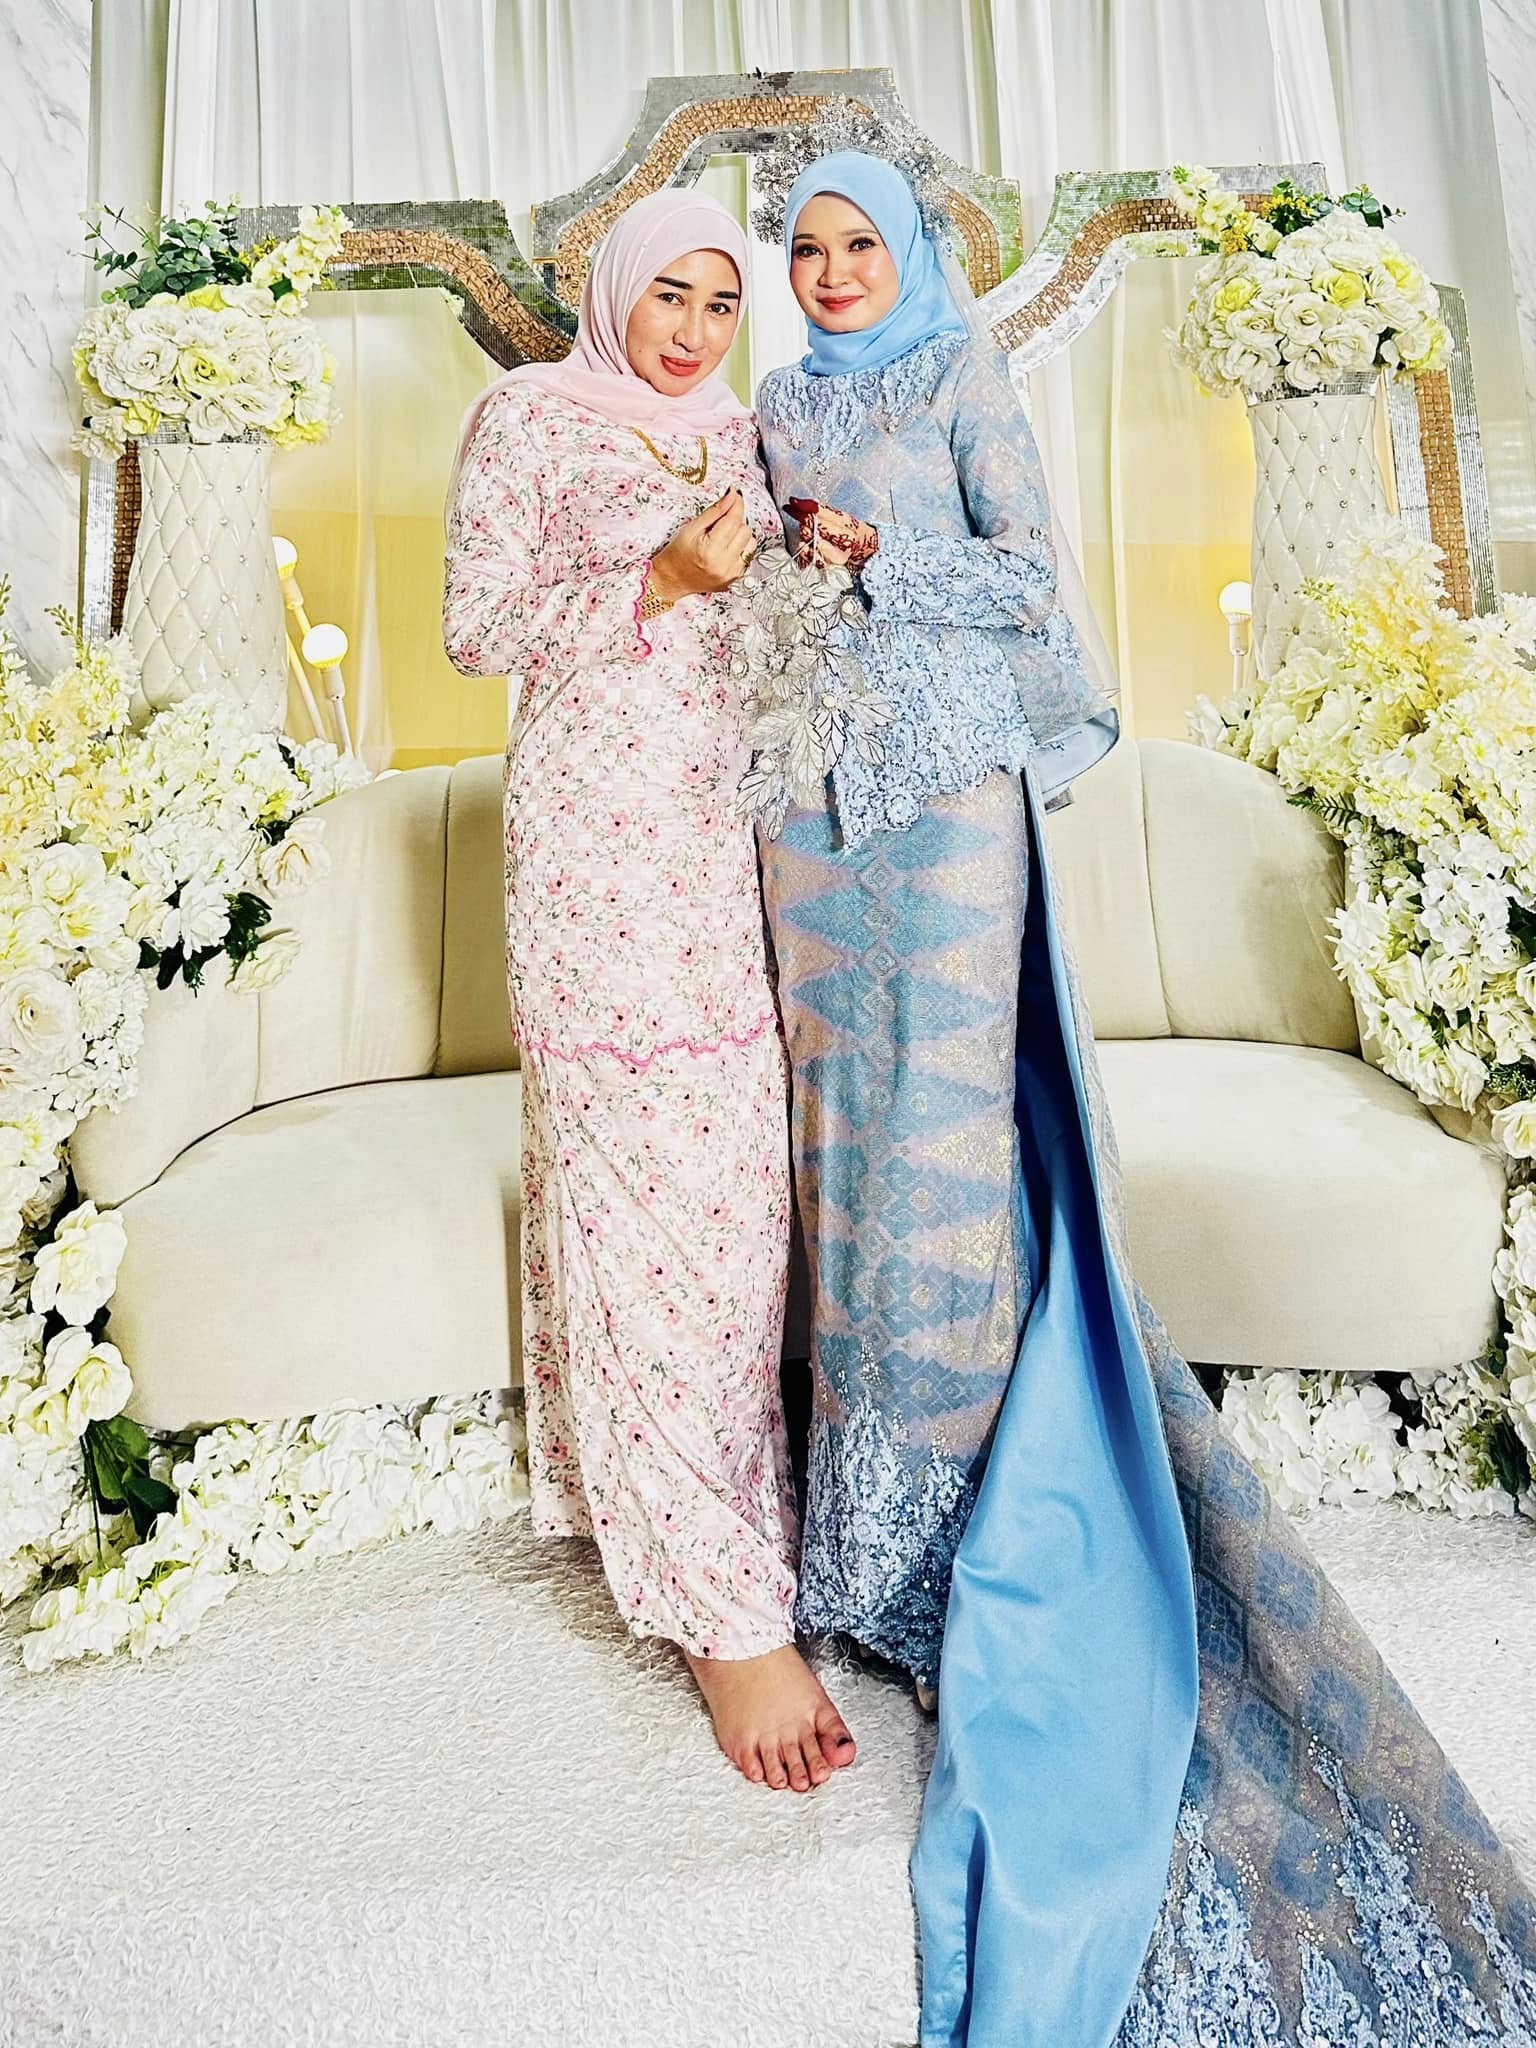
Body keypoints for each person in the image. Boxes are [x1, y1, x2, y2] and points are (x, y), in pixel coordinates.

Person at [754, 149, 1536, 2045]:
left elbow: (1031, 581)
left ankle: (969, 1499)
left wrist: (880, 560)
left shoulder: (961, 376)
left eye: (862, 245)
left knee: (948, 1150)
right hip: (809, 822)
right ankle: (856, 1508)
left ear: (913, 254)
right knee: (841, 1157)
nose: (837, 274)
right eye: (811, 250)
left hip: (950, 812)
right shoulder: (774, 401)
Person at [443, 189, 854, 1796]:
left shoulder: (738, 433)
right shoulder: (528, 419)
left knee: (738, 1207)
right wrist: (658, 584)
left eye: (718, 302)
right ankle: (722, 1614)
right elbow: (477, 630)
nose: (689, 330)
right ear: (615, 290)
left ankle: (702, 1520)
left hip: (722, 847)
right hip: (593, 866)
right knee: (644, 1206)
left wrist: (810, 560)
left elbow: (765, 638)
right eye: (666, 295)